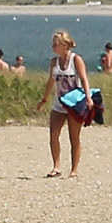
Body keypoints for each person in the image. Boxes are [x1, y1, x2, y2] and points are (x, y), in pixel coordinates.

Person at [44, 31, 91, 177]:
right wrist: (44, 99)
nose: (53, 47)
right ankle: (56, 166)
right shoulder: (54, 62)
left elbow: (83, 79)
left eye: (55, 44)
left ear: (64, 45)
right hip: (59, 103)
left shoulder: (76, 60)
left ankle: (74, 169)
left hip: (74, 104)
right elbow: (51, 82)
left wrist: (88, 98)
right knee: (53, 133)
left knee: (74, 137)